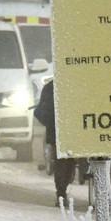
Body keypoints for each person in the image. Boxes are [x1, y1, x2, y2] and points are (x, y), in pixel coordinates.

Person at [33, 79, 77, 207]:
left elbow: (40, 112)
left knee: (62, 162)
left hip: (58, 132)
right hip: (64, 131)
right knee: (64, 163)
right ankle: (61, 193)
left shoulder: (51, 87)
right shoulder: (72, 84)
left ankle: (61, 193)